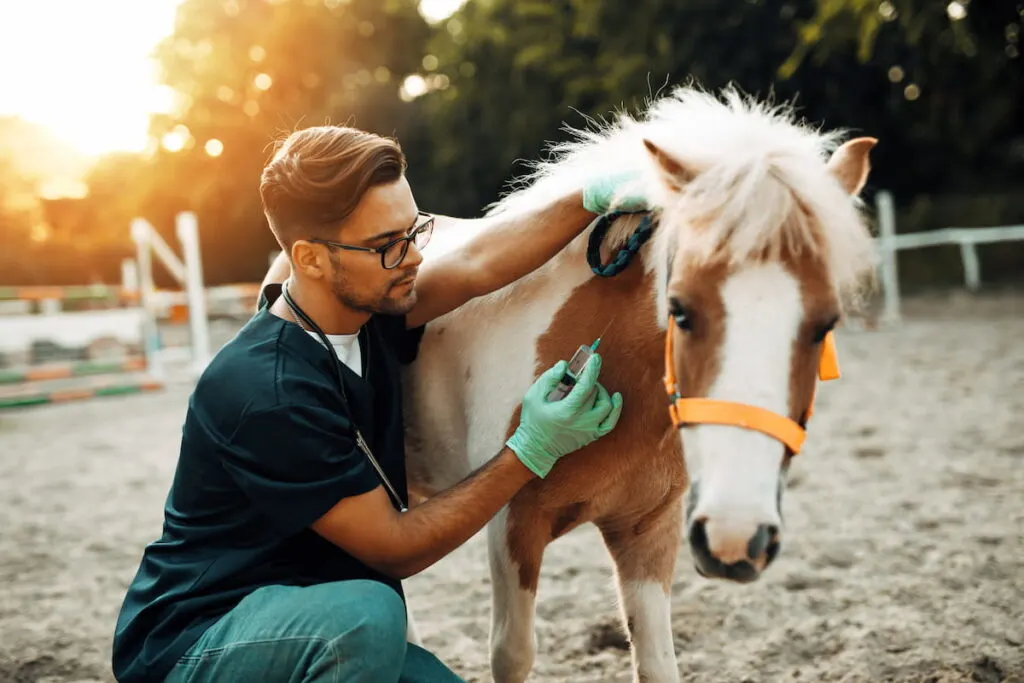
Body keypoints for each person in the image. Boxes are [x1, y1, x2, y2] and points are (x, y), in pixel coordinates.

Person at [112, 125, 643, 683]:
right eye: (386, 244)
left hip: (315, 620)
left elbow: (478, 265)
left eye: (413, 230)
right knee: (369, 615)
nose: (412, 256)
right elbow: (393, 548)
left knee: (373, 629)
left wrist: (588, 198)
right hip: (201, 641)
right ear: (310, 259)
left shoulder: (368, 310)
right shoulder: (266, 392)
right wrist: (531, 448)